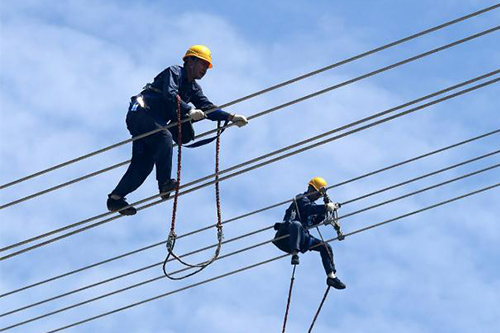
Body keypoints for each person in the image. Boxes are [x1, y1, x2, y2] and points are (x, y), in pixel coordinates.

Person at [107, 45, 248, 215]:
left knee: (144, 164)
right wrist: (188, 110)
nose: (205, 69)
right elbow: (169, 94)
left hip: (154, 122)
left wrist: (230, 117)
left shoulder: (193, 88)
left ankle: (115, 199)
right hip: (142, 114)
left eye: (206, 66)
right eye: (202, 63)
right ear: (190, 61)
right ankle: (164, 182)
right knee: (164, 137)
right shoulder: (175, 72)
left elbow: (207, 107)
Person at [272, 177, 346, 289]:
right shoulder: (301, 199)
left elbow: (313, 221)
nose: (317, 197)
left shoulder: (311, 204)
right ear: (311, 189)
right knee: (296, 225)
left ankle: (331, 276)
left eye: (319, 196)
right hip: (287, 236)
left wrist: (324, 212)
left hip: (301, 237)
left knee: (325, 247)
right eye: (317, 195)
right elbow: (309, 209)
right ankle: (295, 254)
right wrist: (325, 207)